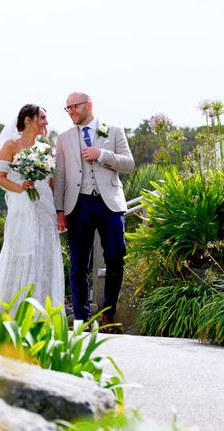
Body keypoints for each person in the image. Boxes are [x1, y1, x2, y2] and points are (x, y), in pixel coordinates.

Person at [54, 92, 134, 332]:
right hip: (78, 205)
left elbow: (128, 164)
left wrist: (102, 155)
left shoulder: (114, 131)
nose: (70, 112)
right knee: (79, 263)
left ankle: (108, 314)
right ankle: (82, 318)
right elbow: (59, 176)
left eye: (74, 107)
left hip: (109, 203)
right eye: (66, 108)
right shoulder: (64, 138)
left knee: (115, 258)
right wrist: (59, 210)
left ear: (88, 105)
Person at [0, 104, 65, 312]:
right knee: (21, 252)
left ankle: (42, 310)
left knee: (45, 252)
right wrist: (20, 188)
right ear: (28, 120)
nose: (46, 122)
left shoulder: (45, 149)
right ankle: (13, 309)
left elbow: (51, 182)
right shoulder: (10, 146)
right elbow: (0, 178)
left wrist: (59, 211)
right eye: (42, 118)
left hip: (45, 206)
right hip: (23, 206)